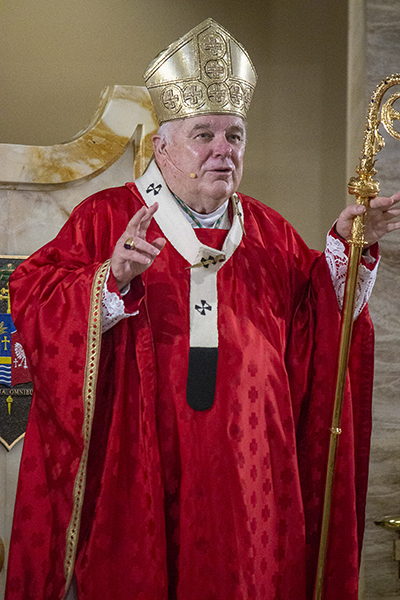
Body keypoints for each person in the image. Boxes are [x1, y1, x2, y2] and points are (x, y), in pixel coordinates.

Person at [5, 18, 400, 600]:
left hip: (251, 481)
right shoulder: (105, 218)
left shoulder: (270, 232)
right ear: (161, 144)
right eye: (204, 135)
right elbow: (30, 295)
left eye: (235, 136)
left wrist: (348, 249)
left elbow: (321, 336)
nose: (223, 150)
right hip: (138, 465)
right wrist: (107, 282)